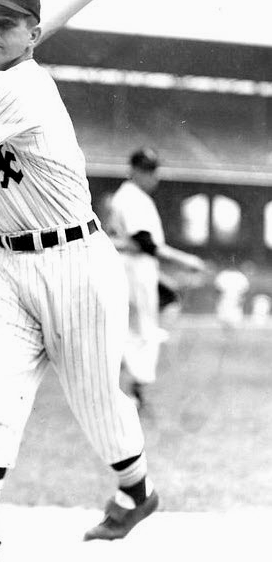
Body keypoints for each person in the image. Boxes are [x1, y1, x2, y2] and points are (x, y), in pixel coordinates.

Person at [0, 0, 158, 562]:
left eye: (6, 23)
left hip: (76, 262)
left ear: (33, 34)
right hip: (10, 265)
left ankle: (137, 493)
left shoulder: (24, 86)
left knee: (97, 403)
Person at [105, 148, 206, 409]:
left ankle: (131, 392)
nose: (153, 176)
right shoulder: (131, 197)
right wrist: (185, 259)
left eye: (153, 170)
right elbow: (145, 243)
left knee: (140, 329)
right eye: (146, 170)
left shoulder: (134, 197)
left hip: (137, 267)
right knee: (139, 330)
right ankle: (129, 394)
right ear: (133, 171)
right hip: (133, 268)